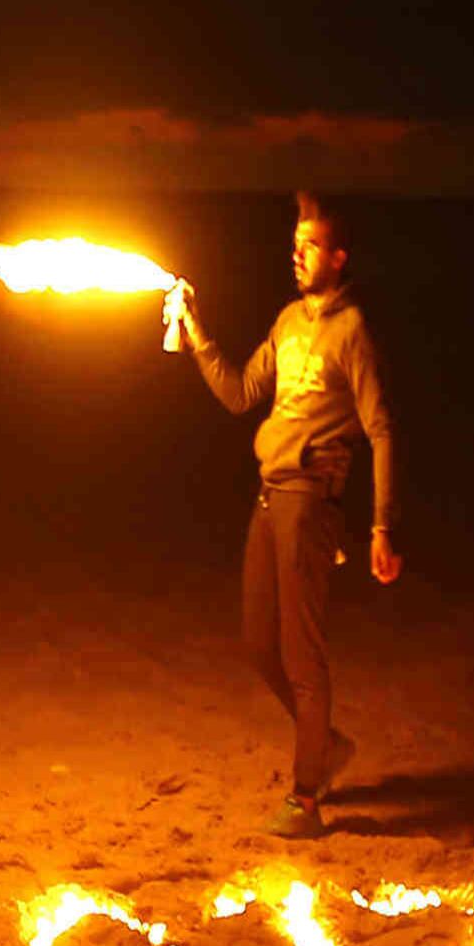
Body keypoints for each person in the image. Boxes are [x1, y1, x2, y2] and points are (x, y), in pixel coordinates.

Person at [174, 191, 400, 840]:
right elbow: (242, 393)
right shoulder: (288, 322)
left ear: (337, 256)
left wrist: (383, 525)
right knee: (257, 643)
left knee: (304, 658)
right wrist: (194, 332)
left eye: (309, 245)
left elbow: (381, 427)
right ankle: (322, 744)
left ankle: (306, 798)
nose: (295, 254)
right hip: (269, 497)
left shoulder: (351, 331)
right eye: (294, 242)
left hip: (310, 502)